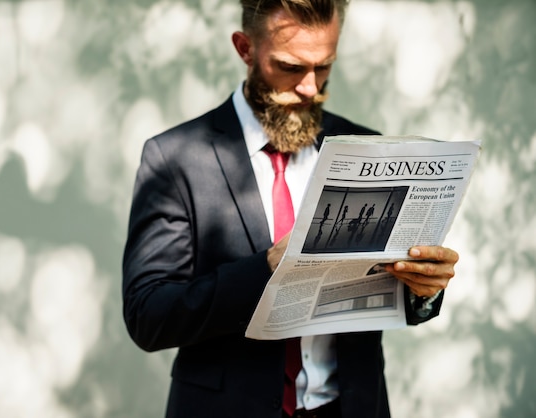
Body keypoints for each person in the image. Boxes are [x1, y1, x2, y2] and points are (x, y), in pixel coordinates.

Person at [122, 1, 459, 417]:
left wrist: (423, 289)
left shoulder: (367, 148)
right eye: (290, 67)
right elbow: (148, 315)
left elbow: (386, 295)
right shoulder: (175, 158)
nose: (309, 87)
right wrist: (267, 268)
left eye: (324, 67)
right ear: (245, 48)